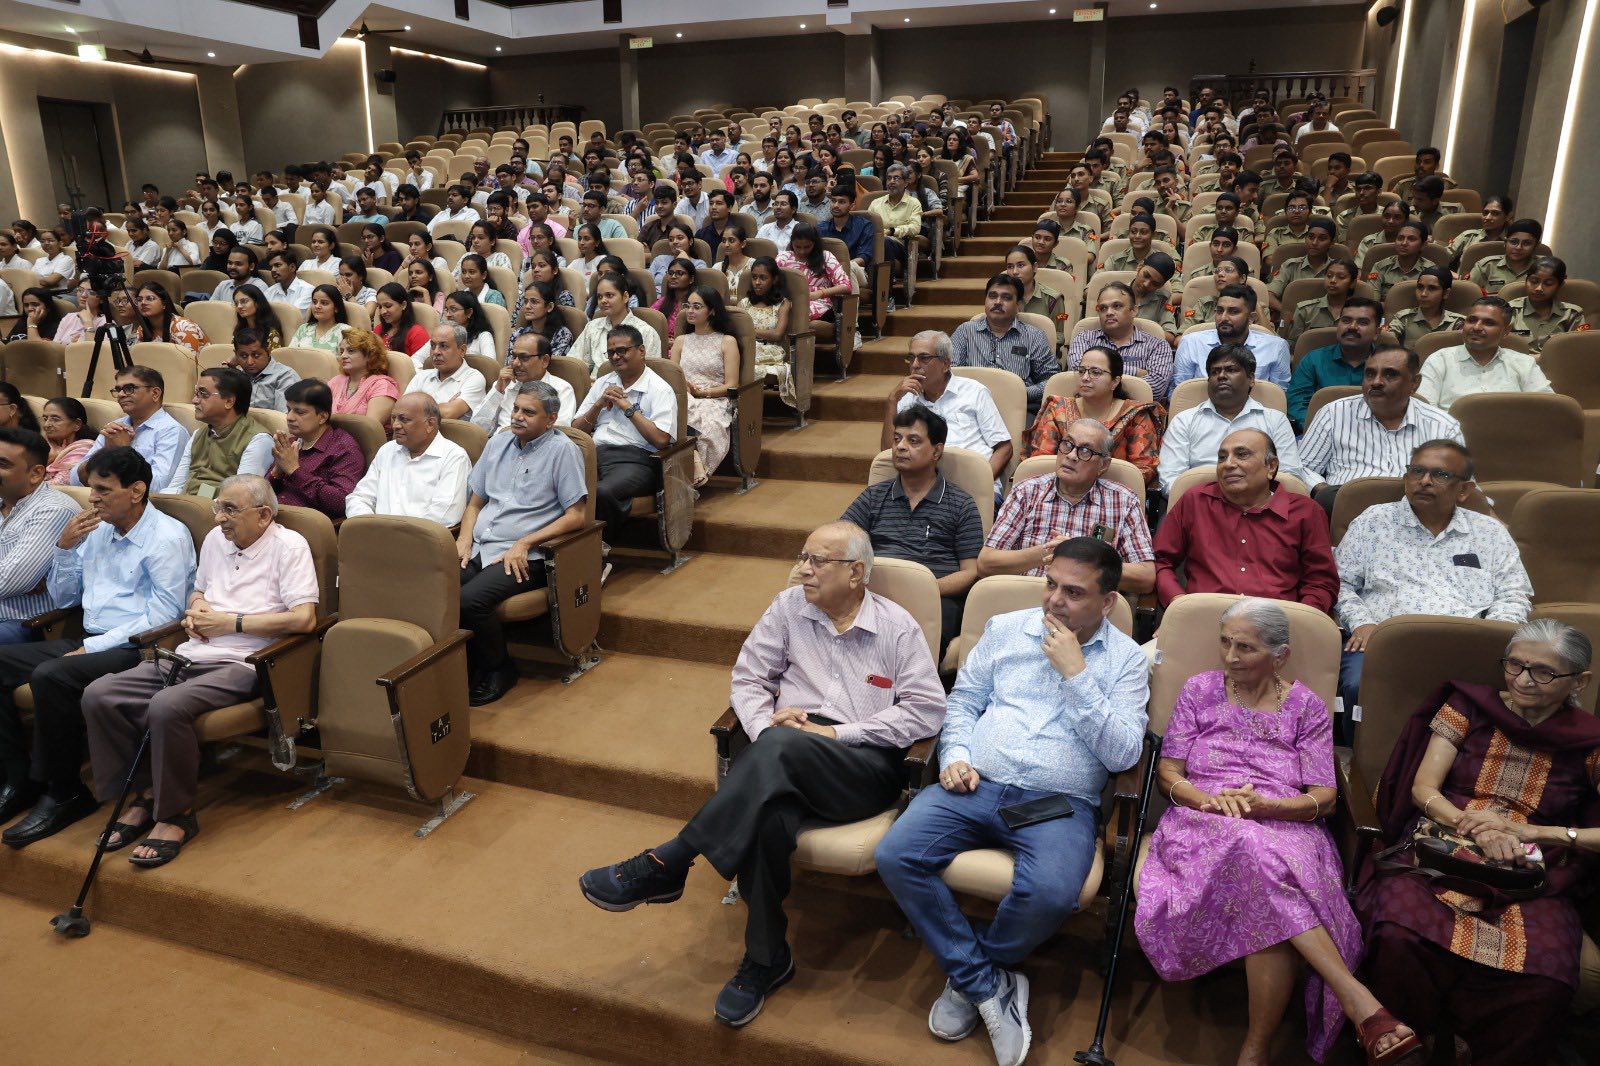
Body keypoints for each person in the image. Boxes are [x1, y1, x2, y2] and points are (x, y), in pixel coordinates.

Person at [578, 521, 945, 1027]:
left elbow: (927, 711)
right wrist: (765, 725)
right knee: (767, 817)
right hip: (783, 755)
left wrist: (837, 734)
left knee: (779, 750)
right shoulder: (787, 608)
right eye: (803, 557)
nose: (804, 570)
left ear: (856, 573)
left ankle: (671, 860)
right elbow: (749, 679)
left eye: (818, 561)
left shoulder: (896, 627)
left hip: (860, 766)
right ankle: (766, 958)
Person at [879, 536, 1145, 1066]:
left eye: (1074, 592)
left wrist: (1077, 674)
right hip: (975, 784)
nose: (1054, 601)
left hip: (1059, 804)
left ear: (1108, 602)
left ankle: (970, 976)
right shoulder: (1004, 629)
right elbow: (964, 702)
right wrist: (955, 755)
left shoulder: (1127, 661)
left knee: (1050, 894)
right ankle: (986, 983)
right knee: (896, 853)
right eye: (1051, 584)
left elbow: (1123, 754)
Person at [1136, 599, 1420, 1066]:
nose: (1230, 656)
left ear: (1280, 655)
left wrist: (1270, 807)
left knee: (1262, 866)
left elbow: (1324, 796)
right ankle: (1352, 1000)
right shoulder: (1199, 690)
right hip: (1203, 821)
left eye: (1245, 647)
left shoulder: (1307, 707)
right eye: (1225, 643)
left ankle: (1257, 1047)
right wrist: (1206, 800)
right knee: (1251, 845)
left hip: (1287, 825)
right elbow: (1168, 772)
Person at [1355, 618, 1600, 1066]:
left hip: (1535, 872)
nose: (1523, 680)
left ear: (1579, 681)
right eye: (1515, 665)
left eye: (1543, 672)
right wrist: (1475, 826)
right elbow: (1424, 788)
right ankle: (1411, 1046)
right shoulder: (1468, 706)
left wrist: (1530, 832)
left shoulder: (1591, 741)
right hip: (1442, 847)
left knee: (1545, 979)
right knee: (1397, 934)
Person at [78, 474, 318, 866]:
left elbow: (305, 619)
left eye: (230, 510)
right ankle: (145, 794)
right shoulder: (215, 541)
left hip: (246, 662)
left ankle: (177, 815)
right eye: (218, 507)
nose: (219, 518)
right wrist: (197, 606)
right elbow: (200, 590)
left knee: (166, 705)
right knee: (100, 694)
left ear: (263, 515)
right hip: (193, 653)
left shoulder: (290, 546)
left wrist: (231, 623)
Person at [0, 446, 195, 841]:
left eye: (104, 490)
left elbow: (164, 616)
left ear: (136, 491)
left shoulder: (167, 537)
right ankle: (17, 778)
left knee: (51, 675)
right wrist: (65, 549)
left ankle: (65, 793)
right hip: (89, 638)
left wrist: (93, 648)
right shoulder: (97, 530)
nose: (92, 498)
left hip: (138, 649)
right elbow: (66, 598)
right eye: (91, 488)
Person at [1334, 439, 1530, 716]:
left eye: (1440, 474)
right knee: (1358, 685)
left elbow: (1514, 594)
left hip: (1466, 645)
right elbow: (1339, 583)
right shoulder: (1373, 522)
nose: (1424, 481)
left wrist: (1491, 637)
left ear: (1464, 490)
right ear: (1406, 479)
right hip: (1383, 642)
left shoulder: (1489, 532)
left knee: (1502, 690)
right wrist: (1362, 623)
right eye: (1417, 471)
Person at [455, 381, 588, 706]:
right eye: (516, 408)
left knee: (470, 601)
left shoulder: (563, 451)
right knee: (440, 588)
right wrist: (463, 538)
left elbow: (576, 516)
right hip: (482, 546)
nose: (517, 416)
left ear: (551, 419)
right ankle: (465, 667)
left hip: (529, 556)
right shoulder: (498, 442)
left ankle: (500, 668)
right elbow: (475, 503)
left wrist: (525, 542)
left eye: (528, 412)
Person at [845, 406, 983, 656]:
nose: (900, 446)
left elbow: (970, 572)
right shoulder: (874, 496)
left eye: (913, 441)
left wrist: (922, 589)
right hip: (875, 593)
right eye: (897, 439)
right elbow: (840, 539)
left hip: (935, 598)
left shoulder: (962, 504)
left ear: (936, 451)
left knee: (913, 647)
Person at [1153, 429, 1337, 611]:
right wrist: (1177, 602)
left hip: (1275, 623)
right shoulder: (1195, 502)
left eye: (1242, 455)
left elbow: (1320, 581)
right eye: (1222, 457)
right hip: (1203, 616)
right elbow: (1161, 560)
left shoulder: (1305, 512)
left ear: (1271, 466)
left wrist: (1301, 619)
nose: (1228, 464)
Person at [980, 418, 1154, 592]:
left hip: (1086, 606)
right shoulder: (1026, 491)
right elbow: (986, 563)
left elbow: (1146, 577)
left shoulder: (1123, 501)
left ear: (1103, 465)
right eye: (1068, 444)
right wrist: (1047, 552)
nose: (1071, 455)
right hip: (1026, 598)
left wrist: (1085, 559)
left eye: (1085, 451)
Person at [1300, 345, 1465, 515]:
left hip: (1419, 516)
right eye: (1370, 374)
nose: (1376, 382)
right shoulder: (1334, 413)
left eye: (1390, 374)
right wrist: (1325, 492)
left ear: (1414, 383)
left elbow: (1461, 483)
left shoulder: (1443, 425)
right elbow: (1303, 467)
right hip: (1347, 513)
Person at [572, 325, 678, 539]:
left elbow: (661, 440)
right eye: (611, 352)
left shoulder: (660, 389)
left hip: (637, 460)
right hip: (595, 454)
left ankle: (597, 548)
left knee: (600, 492)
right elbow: (576, 431)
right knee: (560, 484)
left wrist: (628, 408)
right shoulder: (603, 383)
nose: (615, 357)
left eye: (622, 350)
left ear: (641, 351)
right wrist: (598, 405)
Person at [884, 330, 1013, 484]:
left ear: (945, 364)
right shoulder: (906, 399)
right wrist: (892, 400)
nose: (915, 365)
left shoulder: (974, 392)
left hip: (971, 484)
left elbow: (1005, 448)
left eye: (924, 358)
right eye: (911, 358)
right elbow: (887, 453)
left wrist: (982, 483)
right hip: (923, 487)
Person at [1029, 345, 1166, 487]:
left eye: (1095, 372)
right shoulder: (1058, 409)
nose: (1085, 378)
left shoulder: (1135, 414)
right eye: (1081, 371)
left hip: (1115, 494)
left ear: (1115, 382)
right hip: (1057, 488)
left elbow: (1143, 470)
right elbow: (1040, 462)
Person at [0, 427, 81, 645]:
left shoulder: (53, 509)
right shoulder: (4, 499)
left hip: (27, 623)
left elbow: (8, 581)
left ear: (36, 473)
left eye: (3, 464)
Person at [344, 393, 471, 526]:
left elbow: (445, 516)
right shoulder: (387, 450)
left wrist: (397, 534)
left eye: (404, 419)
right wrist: (369, 526)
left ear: (430, 424)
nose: (395, 425)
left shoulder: (454, 457)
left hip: (420, 537)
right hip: (375, 532)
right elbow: (359, 497)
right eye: (393, 418)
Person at [1415, 296, 1553, 410]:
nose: (1476, 327)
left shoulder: (1524, 363)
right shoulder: (1439, 360)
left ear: (1506, 331)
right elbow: (1423, 410)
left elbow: (1548, 407)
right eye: (1472, 320)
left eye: (1488, 323)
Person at [950, 275, 1057, 422]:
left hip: (1019, 408)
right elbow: (951, 373)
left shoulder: (1033, 336)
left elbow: (1050, 380)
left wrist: (1019, 393)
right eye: (992, 296)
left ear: (1019, 305)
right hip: (970, 406)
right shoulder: (965, 332)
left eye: (1006, 298)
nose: (998, 302)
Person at [70, 365, 188, 491]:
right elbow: (74, 479)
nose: (121, 394)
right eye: (118, 389)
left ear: (155, 393)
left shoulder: (171, 431)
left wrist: (121, 453)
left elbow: (159, 487)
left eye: (129, 388)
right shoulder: (115, 427)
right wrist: (105, 453)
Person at [670, 286, 739, 488]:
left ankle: (691, 469)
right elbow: (673, 376)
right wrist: (685, 389)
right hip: (684, 396)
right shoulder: (681, 341)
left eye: (697, 307)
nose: (690, 311)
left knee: (703, 421)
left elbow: (732, 385)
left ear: (712, 311)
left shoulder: (727, 341)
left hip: (714, 399)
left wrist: (702, 393)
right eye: (688, 306)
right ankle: (693, 464)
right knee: (676, 409)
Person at [266, 379, 366, 520]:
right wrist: (277, 472)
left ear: (322, 417)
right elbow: (262, 495)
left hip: (308, 524)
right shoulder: (291, 443)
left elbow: (341, 503)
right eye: (289, 410)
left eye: (300, 412)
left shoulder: (344, 448)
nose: (289, 417)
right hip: (273, 517)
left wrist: (294, 470)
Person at [1065, 281, 1176, 402]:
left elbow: (1154, 389)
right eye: (1103, 308)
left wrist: (1100, 377)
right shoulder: (1084, 338)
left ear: (1134, 310)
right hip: (1089, 407)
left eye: (1117, 306)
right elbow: (1077, 371)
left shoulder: (1157, 345)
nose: (1109, 312)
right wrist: (1136, 372)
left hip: (1138, 410)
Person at [171, 367, 273, 497]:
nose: (194, 400)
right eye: (196, 393)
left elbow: (241, 496)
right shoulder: (198, 434)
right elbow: (176, 486)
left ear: (229, 401)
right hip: (185, 503)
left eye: (203, 394)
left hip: (221, 507)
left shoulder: (258, 439)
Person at [1286, 296, 1383, 429]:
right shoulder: (1314, 360)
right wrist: (1324, 429)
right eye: (1346, 320)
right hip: (1319, 432)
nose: (1352, 327)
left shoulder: (1389, 366)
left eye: (1363, 322)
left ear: (1377, 332)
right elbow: (1296, 404)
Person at [1172, 284, 1291, 390]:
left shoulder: (1276, 347)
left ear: (1251, 318)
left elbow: (1279, 396)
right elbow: (1179, 392)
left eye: (1233, 312)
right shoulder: (1191, 343)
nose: (1223, 318)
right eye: (1219, 311)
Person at [475, 332, 575, 434]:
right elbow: (478, 428)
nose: (516, 363)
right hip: (498, 442)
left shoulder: (561, 389)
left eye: (524, 358)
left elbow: (557, 434)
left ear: (544, 360)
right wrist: (498, 391)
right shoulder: (504, 385)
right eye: (514, 357)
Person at [568, 272, 664, 375]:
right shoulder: (592, 327)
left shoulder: (646, 332)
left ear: (625, 297)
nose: (603, 301)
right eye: (599, 297)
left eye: (609, 295)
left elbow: (650, 374)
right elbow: (575, 364)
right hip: (595, 383)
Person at [405, 323, 488, 422]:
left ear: (462, 350)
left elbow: (448, 413)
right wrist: (443, 406)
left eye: (443, 346)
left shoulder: (474, 378)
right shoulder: (421, 376)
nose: (436, 352)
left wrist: (415, 406)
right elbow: (400, 410)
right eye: (433, 346)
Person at [1508, 256, 1587, 354]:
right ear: (1526, 280)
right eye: (1534, 281)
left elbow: (1578, 349)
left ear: (1560, 285)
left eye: (1548, 283)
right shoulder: (1510, 310)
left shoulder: (1572, 314)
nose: (1539, 288)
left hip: (1558, 362)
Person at [775, 223, 851, 324]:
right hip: (787, 301)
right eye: (797, 247)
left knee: (795, 313)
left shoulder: (826, 257)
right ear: (791, 243)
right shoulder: (784, 257)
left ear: (815, 243)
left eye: (807, 247)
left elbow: (846, 286)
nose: (802, 251)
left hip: (818, 303)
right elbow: (771, 280)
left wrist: (820, 294)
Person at [329, 328, 401, 430]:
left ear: (370, 355)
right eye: (341, 351)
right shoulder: (336, 381)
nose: (343, 356)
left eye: (351, 351)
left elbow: (369, 429)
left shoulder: (382, 386)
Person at [1387, 266, 1465, 350]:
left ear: (1446, 293)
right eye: (1420, 287)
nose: (1423, 294)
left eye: (1432, 288)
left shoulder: (1457, 322)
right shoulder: (1404, 318)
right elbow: (1387, 339)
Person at [227, 328, 301, 415]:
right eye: (243, 356)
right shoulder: (238, 376)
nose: (250, 362)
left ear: (268, 351)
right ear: (235, 354)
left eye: (256, 355)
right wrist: (231, 371)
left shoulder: (285, 376)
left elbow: (284, 418)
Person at [868, 165, 923, 279]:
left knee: (886, 241)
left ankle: (886, 285)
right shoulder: (875, 203)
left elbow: (915, 227)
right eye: (889, 178)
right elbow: (867, 226)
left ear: (906, 182)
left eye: (896, 178)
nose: (891, 181)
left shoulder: (914, 203)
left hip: (900, 245)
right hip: (875, 242)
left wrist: (892, 231)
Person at [1467, 218, 1542, 294]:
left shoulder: (1543, 268)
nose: (1518, 247)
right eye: (1513, 242)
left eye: (1526, 243)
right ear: (1505, 243)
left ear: (1536, 246)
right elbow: (1469, 295)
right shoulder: (1486, 266)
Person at [38, 398, 96, 485]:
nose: (46, 425)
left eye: (55, 419)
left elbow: (57, 485)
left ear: (77, 424)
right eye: (45, 419)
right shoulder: (47, 444)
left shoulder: (84, 450)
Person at [288, 283, 351, 353]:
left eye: (324, 303)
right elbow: (290, 355)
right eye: (314, 302)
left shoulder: (345, 331)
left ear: (336, 308)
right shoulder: (304, 328)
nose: (317, 306)